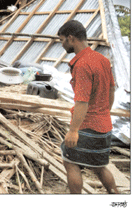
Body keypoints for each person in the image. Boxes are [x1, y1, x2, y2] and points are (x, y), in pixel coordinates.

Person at [57, 20, 118, 194]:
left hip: (87, 126)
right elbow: (111, 89)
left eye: (62, 40)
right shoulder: (102, 59)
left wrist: (74, 130)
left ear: (71, 38)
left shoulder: (82, 64)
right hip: (104, 124)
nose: (62, 45)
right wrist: (105, 111)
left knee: (70, 162)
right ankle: (116, 198)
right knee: (99, 166)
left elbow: (82, 101)